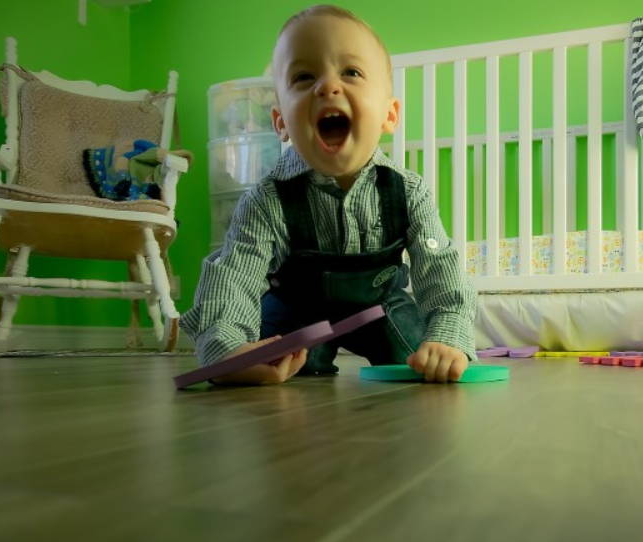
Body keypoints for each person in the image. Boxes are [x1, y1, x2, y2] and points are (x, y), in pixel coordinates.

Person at [180, 4, 476, 384]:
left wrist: (448, 336)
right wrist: (226, 348)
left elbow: (441, 271)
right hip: (298, 311)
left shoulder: (409, 190)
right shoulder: (266, 199)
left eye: (351, 72)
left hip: (382, 306)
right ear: (281, 122)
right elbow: (234, 275)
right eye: (304, 77)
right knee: (275, 363)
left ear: (389, 115)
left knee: (419, 360)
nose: (327, 86)